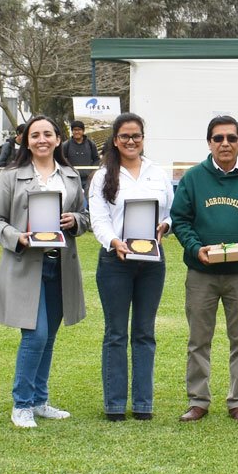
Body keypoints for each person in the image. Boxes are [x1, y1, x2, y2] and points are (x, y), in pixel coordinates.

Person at [0, 116, 89, 429]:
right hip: (26, 265)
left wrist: (76, 220)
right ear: (25, 140)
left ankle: (40, 399)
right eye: (35, 135)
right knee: (36, 334)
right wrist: (16, 237)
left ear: (58, 139)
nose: (42, 140)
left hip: (62, 266)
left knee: (50, 336)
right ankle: (22, 403)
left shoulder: (71, 176)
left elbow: (85, 216)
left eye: (48, 134)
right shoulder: (11, 176)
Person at [171, 116, 238, 423]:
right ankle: (198, 400)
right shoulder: (193, 178)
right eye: (218, 138)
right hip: (201, 272)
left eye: (231, 138)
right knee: (198, 340)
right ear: (209, 143)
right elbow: (180, 219)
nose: (225, 143)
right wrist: (194, 247)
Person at [87, 113, 173, 422]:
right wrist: (113, 242)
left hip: (151, 262)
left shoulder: (157, 173)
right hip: (116, 261)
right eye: (124, 136)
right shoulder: (102, 176)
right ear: (114, 139)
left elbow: (170, 211)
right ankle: (114, 405)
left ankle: (142, 404)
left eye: (136, 135)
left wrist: (166, 224)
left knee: (144, 333)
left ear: (143, 138)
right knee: (115, 334)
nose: (131, 141)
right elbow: (98, 218)